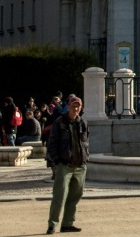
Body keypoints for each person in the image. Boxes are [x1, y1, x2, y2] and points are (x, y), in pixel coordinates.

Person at [46, 94, 89, 234]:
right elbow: (51, 143)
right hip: (64, 165)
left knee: (75, 196)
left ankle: (67, 223)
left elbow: (85, 142)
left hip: (80, 165)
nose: (76, 108)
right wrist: (57, 161)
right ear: (68, 107)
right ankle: (52, 224)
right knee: (59, 196)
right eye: (73, 106)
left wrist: (85, 158)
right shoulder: (60, 122)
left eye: (78, 106)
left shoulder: (83, 122)